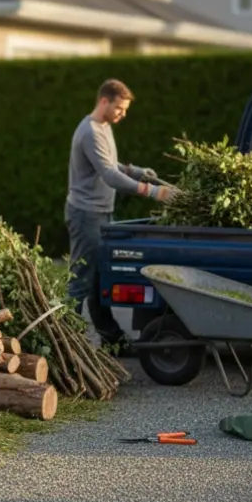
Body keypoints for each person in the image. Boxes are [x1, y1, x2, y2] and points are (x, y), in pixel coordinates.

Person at [65, 79, 175, 354]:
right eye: (120, 108)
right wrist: (152, 191)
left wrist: (137, 172)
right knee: (81, 280)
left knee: (98, 279)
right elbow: (109, 175)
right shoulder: (89, 131)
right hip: (86, 215)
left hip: (100, 213)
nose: (123, 114)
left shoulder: (104, 127)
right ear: (104, 101)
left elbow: (112, 164)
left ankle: (112, 339)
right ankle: (62, 343)